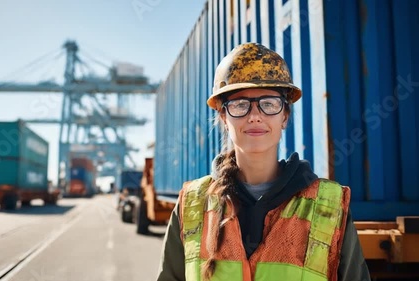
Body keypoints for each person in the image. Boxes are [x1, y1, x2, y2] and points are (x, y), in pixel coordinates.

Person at [156, 43, 370, 281]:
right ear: (224, 117)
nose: (255, 116)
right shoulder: (192, 205)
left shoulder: (328, 207)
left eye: (268, 104)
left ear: (285, 116)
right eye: (240, 105)